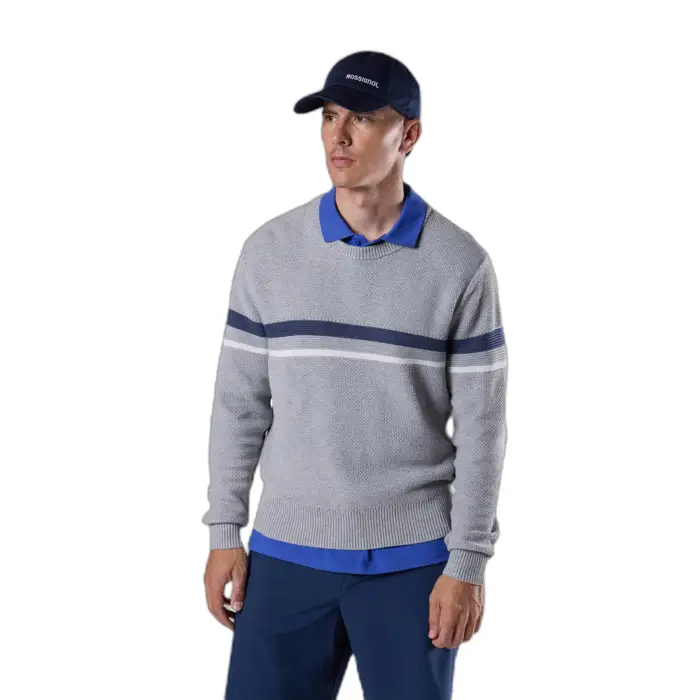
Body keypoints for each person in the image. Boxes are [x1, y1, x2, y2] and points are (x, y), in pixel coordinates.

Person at [202, 49, 509, 700]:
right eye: (329, 116)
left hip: (413, 566)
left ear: (409, 135)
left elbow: (483, 430)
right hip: (284, 556)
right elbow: (238, 405)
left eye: (363, 119)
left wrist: (468, 563)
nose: (337, 136)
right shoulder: (269, 253)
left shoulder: (460, 265)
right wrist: (225, 531)